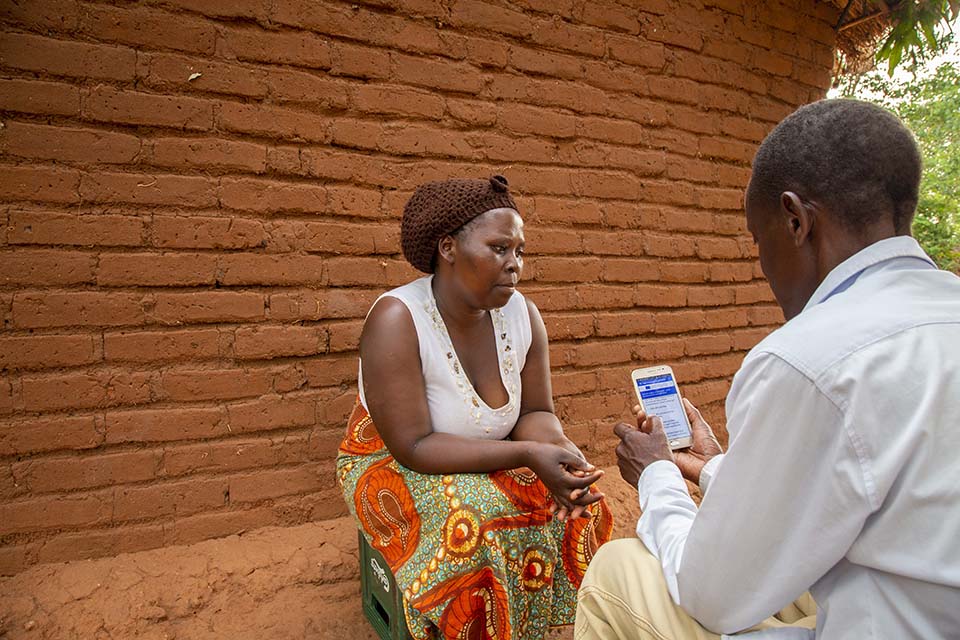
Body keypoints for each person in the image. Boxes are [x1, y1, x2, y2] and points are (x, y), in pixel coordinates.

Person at [575, 99, 960, 639]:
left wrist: (657, 474)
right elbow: (864, 485)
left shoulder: (809, 359)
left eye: (760, 240)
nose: (764, 267)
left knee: (620, 571)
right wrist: (712, 466)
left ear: (796, 220)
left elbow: (712, 596)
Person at [337, 175, 614, 639]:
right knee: (471, 520)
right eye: (499, 248)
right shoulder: (397, 318)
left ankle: (534, 627)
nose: (515, 265)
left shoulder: (522, 314)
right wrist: (526, 455)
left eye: (520, 251)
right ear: (448, 248)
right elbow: (414, 445)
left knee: (582, 504)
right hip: (391, 462)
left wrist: (561, 453)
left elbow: (535, 415)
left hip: (490, 450)